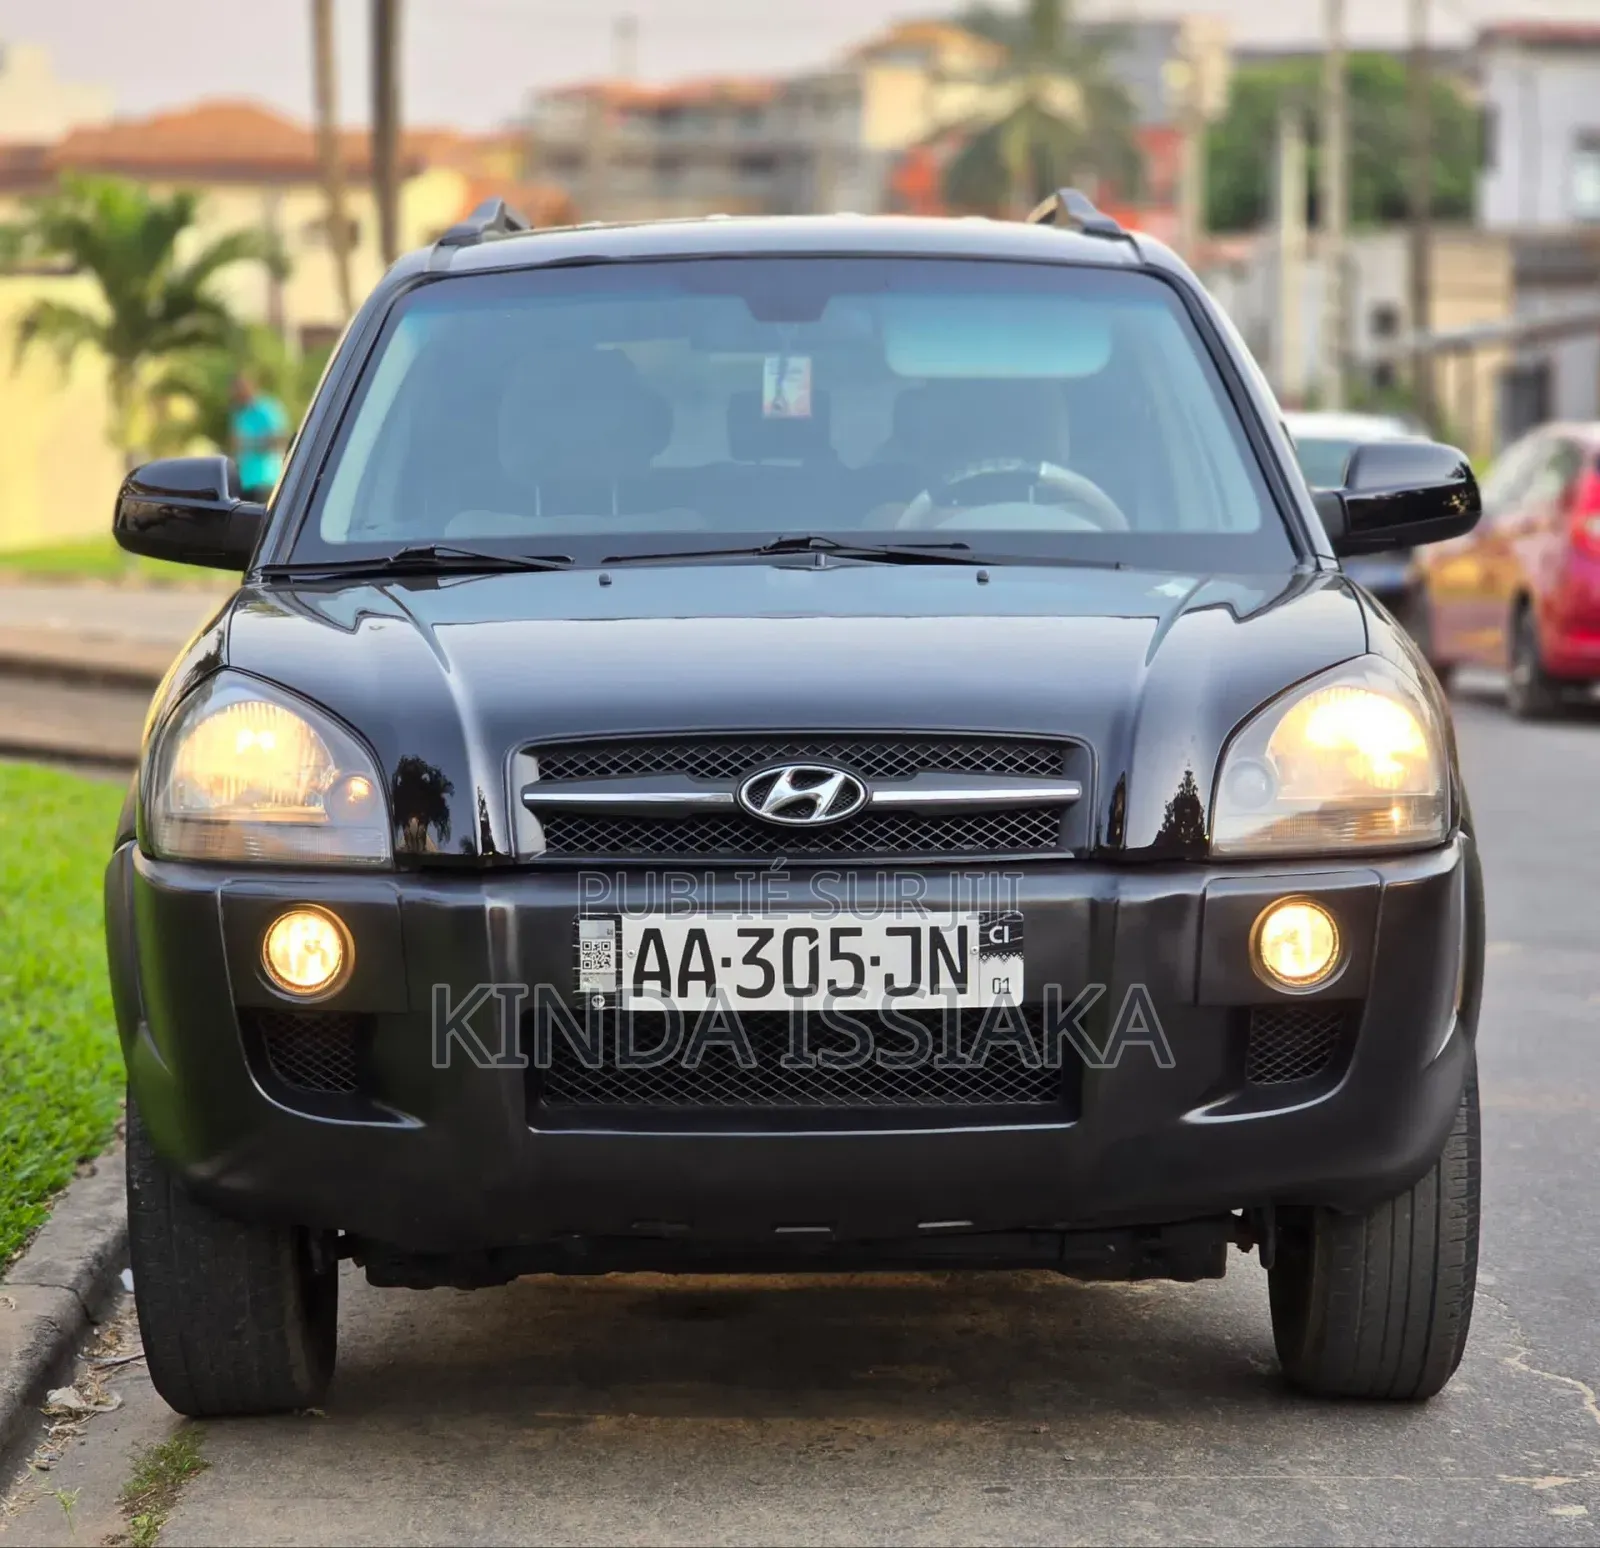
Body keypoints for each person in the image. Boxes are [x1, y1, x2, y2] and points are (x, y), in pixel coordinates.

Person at [229, 374, 290, 501]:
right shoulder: (239, 413)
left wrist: (250, 444)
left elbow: (280, 440)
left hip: (265, 482)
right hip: (244, 484)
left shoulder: (268, 409)